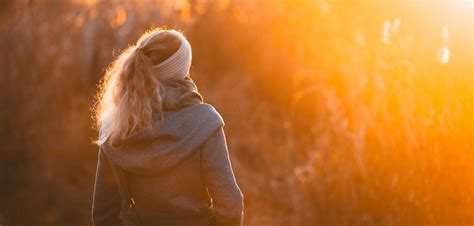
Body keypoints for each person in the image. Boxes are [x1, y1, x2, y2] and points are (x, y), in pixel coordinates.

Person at [92, 28, 244, 226]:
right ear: (181, 70)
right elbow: (230, 205)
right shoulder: (205, 122)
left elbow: (104, 214)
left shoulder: (116, 128)